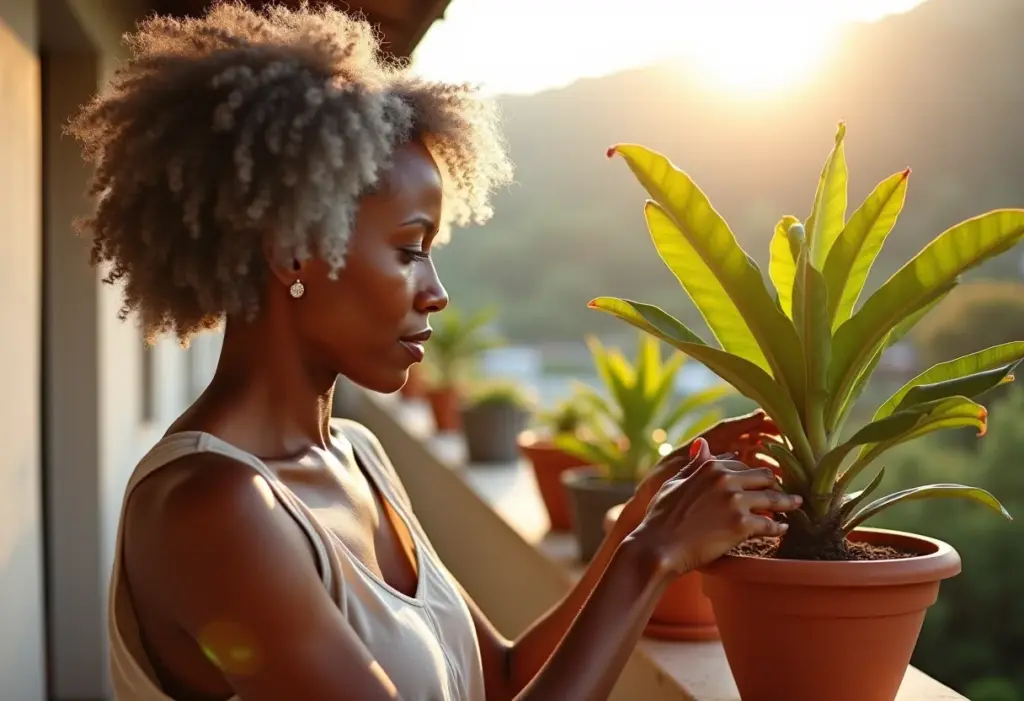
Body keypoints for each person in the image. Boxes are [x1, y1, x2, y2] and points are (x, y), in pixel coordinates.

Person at [69, 4, 801, 700]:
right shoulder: (209, 510)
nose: (436, 291)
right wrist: (651, 556)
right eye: (409, 250)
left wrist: (647, 515)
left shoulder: (356, 455)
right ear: (292, 251)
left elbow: (504, 679)